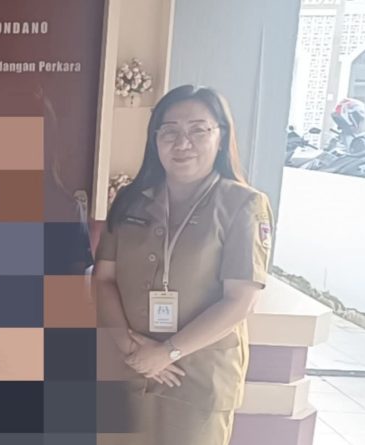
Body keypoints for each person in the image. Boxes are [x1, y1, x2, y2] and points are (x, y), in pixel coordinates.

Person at [95, 85, 274, 445]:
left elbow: (241, 299)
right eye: (170, 130)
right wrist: (128, 346)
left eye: (198, 130)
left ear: (221, 138)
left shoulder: (244, 205)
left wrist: (166, 353)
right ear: (155, 139)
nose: (182, 142)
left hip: (197, 379)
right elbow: (103, 279)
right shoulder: (130, 201)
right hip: (125, 367)